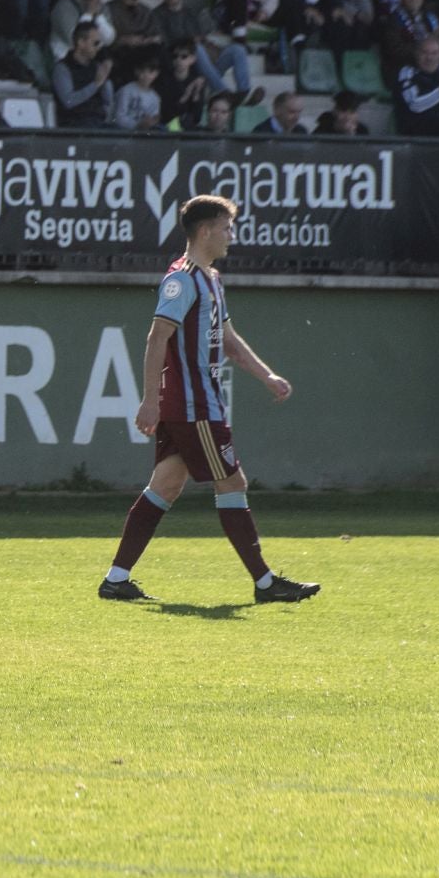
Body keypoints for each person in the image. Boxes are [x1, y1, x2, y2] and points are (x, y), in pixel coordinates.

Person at [100, 195, 319, 606]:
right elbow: (156, 338)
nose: (230, 237)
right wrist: (150, 401)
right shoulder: (182, 280)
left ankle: (116, 579)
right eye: (226, 228)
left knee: (166, 484)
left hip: (198, 404)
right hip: (193, 407)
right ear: (204, 231)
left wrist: (266, 375)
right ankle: (266, 583)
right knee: (232, 482)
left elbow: (230, 341)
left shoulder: (212, 280)